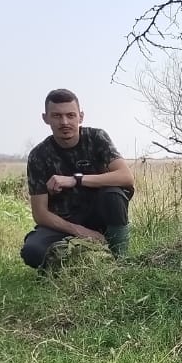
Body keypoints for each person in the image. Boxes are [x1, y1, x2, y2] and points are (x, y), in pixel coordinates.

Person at [21, 89, 135, 270]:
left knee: (113, 193)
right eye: (57, 116)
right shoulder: (38, 155)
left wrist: (76, 180)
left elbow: (126, 177)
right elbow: (40, 214)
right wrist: (81, 232)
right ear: (46, 118)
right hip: (63, 225)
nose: (64, 122)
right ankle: (78, 262)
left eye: (70, 115)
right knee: (32, 251)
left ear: (80, 117)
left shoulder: (97, 138)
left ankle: (120, 262)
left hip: (99, 217)